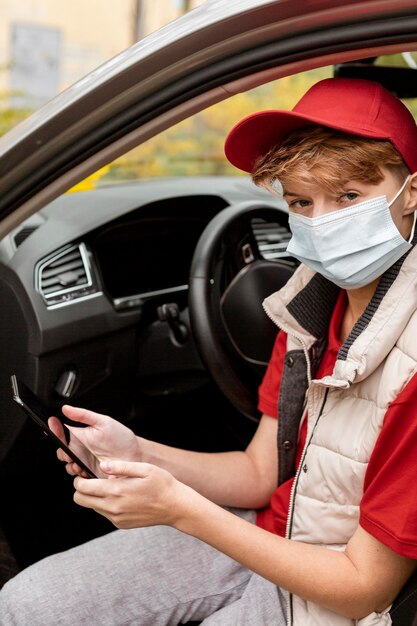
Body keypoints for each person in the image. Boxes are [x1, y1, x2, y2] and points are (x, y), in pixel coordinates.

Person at [1, 76, 417, 626]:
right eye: (300, 201)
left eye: (348, 196)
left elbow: (362, 588)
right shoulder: (309, 310)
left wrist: (178, 507)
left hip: (332, 592)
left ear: (410, 192)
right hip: (271, 530)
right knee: (28, 603)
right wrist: (138, 453)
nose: (321, 222)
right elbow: (259, 471)